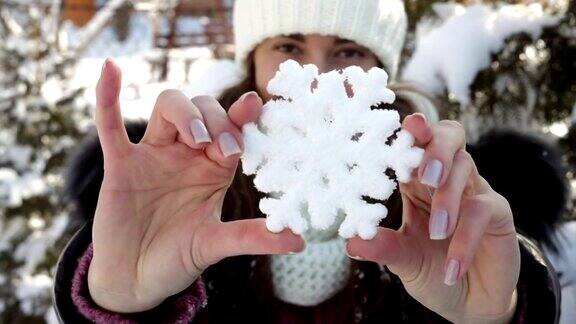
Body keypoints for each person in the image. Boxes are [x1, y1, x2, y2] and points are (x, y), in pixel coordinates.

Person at [53, 0, 560, 323]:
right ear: (252, 62)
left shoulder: (441, 198)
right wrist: (119, 300)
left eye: (347, 52)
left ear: (381, 69)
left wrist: (496, 316)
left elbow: (485, 293)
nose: (316, 75)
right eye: (289, 46)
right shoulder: (176, 191)